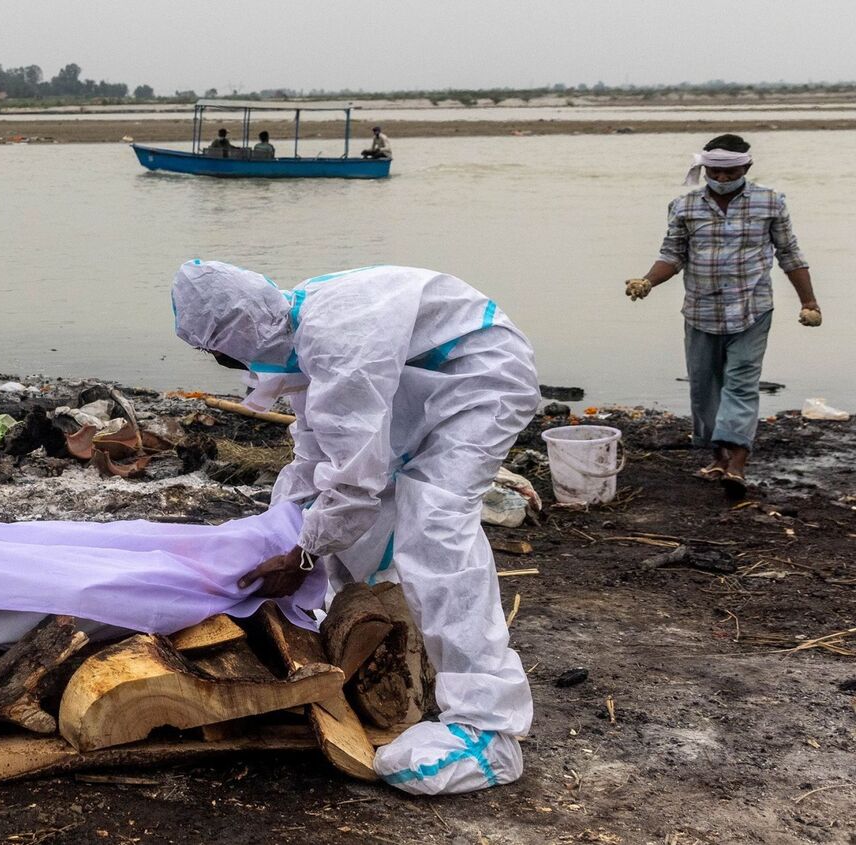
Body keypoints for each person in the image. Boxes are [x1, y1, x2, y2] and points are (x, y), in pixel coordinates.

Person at [171, 260, 538, 795]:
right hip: (422, 376)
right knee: (363, 507)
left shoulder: (337, 338)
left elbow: (353, 483)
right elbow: (317, 455)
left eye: (213, 348)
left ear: (236, 331)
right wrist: (284, 530)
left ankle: (490, 729)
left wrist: (300, 556)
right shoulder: (296, 336)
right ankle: (373, 624)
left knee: (434, 520)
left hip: (479, 376)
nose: (219, 360)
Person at [624, 133, 818, 497]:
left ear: (746, 167)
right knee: (704, 386)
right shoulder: (684, 207)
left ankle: (738, 464)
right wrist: (647, 281)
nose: (723, 179)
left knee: (742, 383)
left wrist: (810, 303)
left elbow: (789, 254)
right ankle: (718, 456)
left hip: (752, 308)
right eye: (715, 172)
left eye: (731, 173)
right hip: (701, 309)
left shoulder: (770, 203)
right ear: (705, 169)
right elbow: (672, 255)